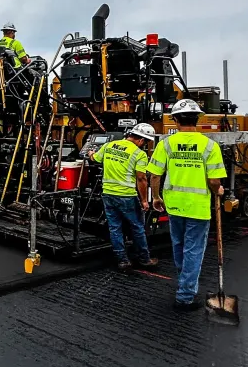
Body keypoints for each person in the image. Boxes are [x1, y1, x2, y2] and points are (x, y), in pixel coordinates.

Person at [148, 99, 227, 311]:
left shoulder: (165, 144)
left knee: (179, 246)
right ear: (198, 119)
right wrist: (217, 190)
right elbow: (214, 181)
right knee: (193, 250)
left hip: (174, 205)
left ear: (174, 119)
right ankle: (185, 296)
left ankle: (185, 282)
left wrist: (155, 197)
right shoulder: (210, 146)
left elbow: (154, 175)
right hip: (198, 208)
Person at [92, 124, 159, 272]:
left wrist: (91, 153)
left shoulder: (109, 145)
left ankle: (123, 261)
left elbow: (95, 158)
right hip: (127, 196)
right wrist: (143, 201)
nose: (145, 146)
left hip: (108, 194)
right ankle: (144, 259)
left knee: (115, 228)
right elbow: (141, 179)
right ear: (141, 140)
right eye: (146, 143)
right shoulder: (139, 154)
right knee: (137, 227)